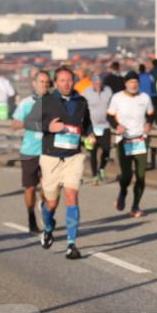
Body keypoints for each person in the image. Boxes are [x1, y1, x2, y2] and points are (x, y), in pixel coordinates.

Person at [39, 66, 95, 260]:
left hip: (73, 157)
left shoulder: (81, 101)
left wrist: (90, 134)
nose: (66, 83)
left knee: (72, 195)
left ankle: (72, 244)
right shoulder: (46, 100)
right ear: (56, 83)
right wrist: (48, 127)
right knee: (52, 203)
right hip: (51, 158)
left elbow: (86, 123)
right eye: (62, 80)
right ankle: (47, 226)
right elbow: (31, 123)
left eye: (69, 80)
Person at [108, 71, 155, 217]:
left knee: (141, 175)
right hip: (124, 140)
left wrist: (149, 123)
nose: (133, 85)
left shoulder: (145, 97)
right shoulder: (117, 98)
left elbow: (151, 113)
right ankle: (123, 192)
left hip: (140, 139)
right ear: (125, 83)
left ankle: (135, 206)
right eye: (130, 82)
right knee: (127, 175)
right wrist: (117, 126)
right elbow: (109, 116)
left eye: (136, 82)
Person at [11, 70, 52, 233]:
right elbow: (14, 124)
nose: (44, 85)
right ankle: (31, 218)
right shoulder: (26, 103)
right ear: (34, 84)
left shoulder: (55, 103)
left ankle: (46, 213)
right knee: (29, 188)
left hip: (49, 151)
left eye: (47, 82)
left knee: (48, 188)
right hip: (30, 151)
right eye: (41, 82)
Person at [82, 74, 113, 184]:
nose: (99, 85)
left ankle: (101, 169)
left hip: (105, 126)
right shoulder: (86, 92)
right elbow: (82, 108)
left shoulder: (108, 91)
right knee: (92, 152)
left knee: (107, 150)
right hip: (91, 128)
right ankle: (95, 175)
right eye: (96, 83)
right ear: (92, 83)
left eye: (100, 83)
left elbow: (113, 106)